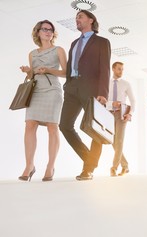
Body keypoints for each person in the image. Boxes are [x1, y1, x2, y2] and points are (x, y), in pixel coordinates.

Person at [59, 10, 111, 181]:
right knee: (65, 126)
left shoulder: (102, 42)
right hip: (72, 87)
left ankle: (88, 169)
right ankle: (90, 159)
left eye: (80, 17)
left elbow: (105, 68)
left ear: (91, 20)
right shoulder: (74, 43)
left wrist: (103, 92)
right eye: (76, 18)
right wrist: (67, 84)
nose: (77, 20)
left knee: (95, 129)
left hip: (91, 89)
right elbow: (70, 67)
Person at [18, 20, 67, 182]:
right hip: (36, 91)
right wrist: (28, 72)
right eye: (44, 29)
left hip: (52, 90)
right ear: (38, 32)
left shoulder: (58, 50)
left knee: (52, 127)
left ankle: (50, 166)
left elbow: (66, 73)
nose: (48, 32)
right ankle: (29, 165)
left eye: (50, 30)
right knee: (30, 125)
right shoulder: (32, 53)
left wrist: (48, 70)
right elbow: (32, 76)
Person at [106, 62, 135, 177]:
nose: (121, 72)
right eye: (119, 69)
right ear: (113, 69)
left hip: (122, 114)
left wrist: (130, 114)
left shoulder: (126, 84)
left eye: (122, 69)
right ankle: (125, 165)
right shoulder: (106, 83)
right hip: (108, 114)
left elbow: (133, 101)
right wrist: (111, 103)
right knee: (112, 141)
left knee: (119, 141)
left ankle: (114, 167)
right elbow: (102, 100)